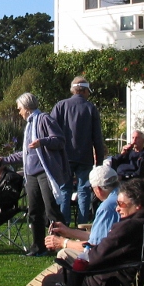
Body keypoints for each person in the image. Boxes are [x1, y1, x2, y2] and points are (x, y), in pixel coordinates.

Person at [1, 92, 68, 256]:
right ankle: (38, 246)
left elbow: (59, 140)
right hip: (30, 174)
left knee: (51, 209)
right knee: (34, 211)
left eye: (19, 109)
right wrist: (5, 160)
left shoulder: (44, 119)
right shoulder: (29, 125)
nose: (19, 112)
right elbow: (26, 152)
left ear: (27, 107)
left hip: (45, 172)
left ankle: (60, 243)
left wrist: (43, 142)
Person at [50, 76, 107, 226]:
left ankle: (64, 225)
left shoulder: (60, 106)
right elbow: (97, 137)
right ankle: (82, 226)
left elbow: (51, 132)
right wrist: (99, 161)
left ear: (73, 90)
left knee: (65, 191)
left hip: (64, 157)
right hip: (84, 157)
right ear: (85, 90)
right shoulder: (90, 108)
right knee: (84, 191)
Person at [42, 164, 119, 257]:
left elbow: (95, 247)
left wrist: (63, 242)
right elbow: (97, 236)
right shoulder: (123, 196)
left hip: (107, 261)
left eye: (91, 188)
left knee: (64, 253)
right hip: (123, 255)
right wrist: (68, 231)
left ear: (98, 189)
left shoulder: (107, 207)